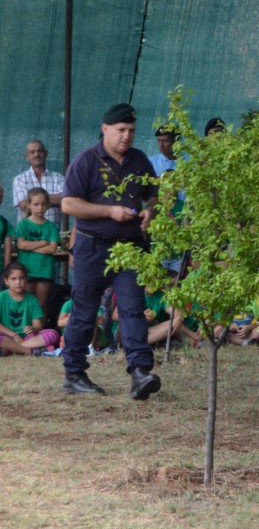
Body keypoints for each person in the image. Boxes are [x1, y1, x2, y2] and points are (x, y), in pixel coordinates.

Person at [60, 103, 160, 398]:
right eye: (120, 130)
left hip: (130, 250)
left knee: (132, 309)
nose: (126, 136)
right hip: (92, 248)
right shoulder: (86, 161)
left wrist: (150, 211)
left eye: (131, 130)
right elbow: (68, 204)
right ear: (105, 129)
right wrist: (109, 211)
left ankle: (140, 373)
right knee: (84, 312)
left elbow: (153, 194)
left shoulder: (140, 159)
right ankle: (74, 374)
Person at [13, 187, 60, 315]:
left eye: (44, 204)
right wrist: (43, 242)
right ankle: (25, 332)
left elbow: (53, 248)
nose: (40, 207)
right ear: (29, 205)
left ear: (48, 205)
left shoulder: (51, 227)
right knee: (26, 303)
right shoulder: (23, 225)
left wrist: (31, 246)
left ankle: (40, 332)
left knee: (41, 304)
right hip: (27, 269)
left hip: (45, 270)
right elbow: (22, 245)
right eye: (36, 204)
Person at [0, 262, 58, 356]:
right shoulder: (1, 297)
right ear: (6, 281)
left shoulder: (32, 299)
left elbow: (38, 325)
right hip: (7, 336)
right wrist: (14, 335)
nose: (18, 282)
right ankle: (29, 351)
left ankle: (13, 348)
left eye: (21, 278)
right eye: (13, 279)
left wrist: (33, 328)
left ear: (26, 279)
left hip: (27, 338)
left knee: (53, 334)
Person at [13, 139, 65, 225]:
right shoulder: (19, 179)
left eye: (40, 151)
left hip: (54, 233)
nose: (36, 154)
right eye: (32, 152)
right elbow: (24, 205)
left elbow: (65, 200)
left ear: (46, 153)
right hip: (28, 234)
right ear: (27, 156)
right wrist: (54, 199)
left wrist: (33, 200)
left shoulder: (59, 178)